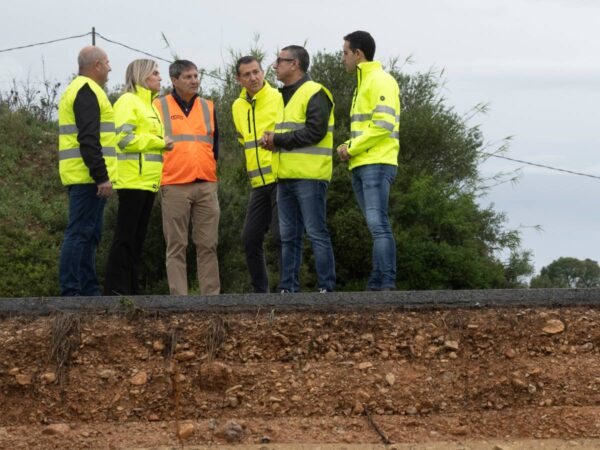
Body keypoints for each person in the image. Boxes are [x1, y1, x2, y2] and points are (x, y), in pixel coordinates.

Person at [262, 45, 336, 293]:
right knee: (288, 237)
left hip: (310, 176)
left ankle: (326, 289)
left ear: (294, 64)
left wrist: (278, 140)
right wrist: (272, 141)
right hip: (285, 176)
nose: (275, 65)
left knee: (316, 233)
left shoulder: (315, 92)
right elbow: (292, 133)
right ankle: (287, 290)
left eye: (280, 61)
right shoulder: (284, 95)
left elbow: (316, 132)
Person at [103, 59, 174, 295]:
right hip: (132, 180)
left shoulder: (151, 106)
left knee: (137, 238)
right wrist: (159, 143)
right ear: (142, 76)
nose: (160, 77)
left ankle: (131, 290)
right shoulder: (127, 102)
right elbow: (123, 141)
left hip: (148, 182)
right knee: (125, 237)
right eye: (155, 73)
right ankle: (116, 290)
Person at [338, 31, 400, 291]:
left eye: (345, 53)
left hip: (376, 162)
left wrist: (350, 146)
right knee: (375, 225)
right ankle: (377, 282)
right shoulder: (363, 84)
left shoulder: (381, 80)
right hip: (363, 163)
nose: (343, 58)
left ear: (358, 54)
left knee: (378, 225)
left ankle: (385, 283)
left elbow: (383, 125)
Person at [153, 60, 220, 295]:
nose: (194, 80)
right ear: (174, 80)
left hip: (206, 183)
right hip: (173, 184)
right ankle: (179, 301)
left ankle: (211, 299)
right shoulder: (158, 106)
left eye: (196, 76)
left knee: (208, 245)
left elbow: (215, 145)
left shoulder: (208, 106)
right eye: (188, 77)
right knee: (176, 246)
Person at [57, 46, 117, 296]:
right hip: (87, 178)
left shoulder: (81, 90)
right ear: (96, 66)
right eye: (107, 62)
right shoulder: (86, 90)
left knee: (89, 234)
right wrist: (101, 176)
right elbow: (88, 138)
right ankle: (72, 292)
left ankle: (88, 291)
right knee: (80, 233)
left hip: (85, 176)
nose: (110, 67)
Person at [232, 56, 283, 293]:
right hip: (257, 183)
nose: (253, 78)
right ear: (238, 79)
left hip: (280, 177)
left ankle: (287, 290)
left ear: (264, 72)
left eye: (256, 72)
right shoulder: (236, 106)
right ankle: (260, 293)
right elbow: (244, 140)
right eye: (247, 74)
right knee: (250, 238)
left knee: (281, 236)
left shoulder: (279, 98)